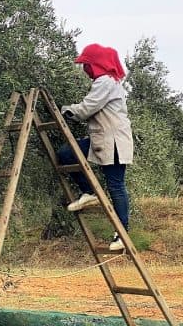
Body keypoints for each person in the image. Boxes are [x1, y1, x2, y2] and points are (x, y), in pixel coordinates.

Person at [58, 43, 133, 251]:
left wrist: (64, 110)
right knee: (66, 154)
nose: (85, 70)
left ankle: (122, 233)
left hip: (114, 142)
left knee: (116, 185)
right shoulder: (108, 82)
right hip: (103, 139)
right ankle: (89, 192)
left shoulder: (105, 82)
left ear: (96, 64)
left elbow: (86, 109)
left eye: (86, 65)